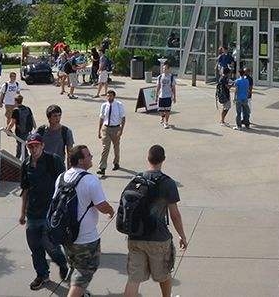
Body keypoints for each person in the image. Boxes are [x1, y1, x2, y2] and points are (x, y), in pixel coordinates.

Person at [121, 145, 188, 297]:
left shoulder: (137, 179)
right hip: (158, 238)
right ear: (163, 159)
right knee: (164, 275)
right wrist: (182, 235)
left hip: (135, 236)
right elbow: (174, 215)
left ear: (148, 158)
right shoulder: (168, 183)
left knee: (133, 279)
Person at [57, 145, 115, 297]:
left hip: (66, 235)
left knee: (75, 266)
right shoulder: (90, 180)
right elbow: (101, 205)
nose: (91, 157)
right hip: (86, 238)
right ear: (81, 160)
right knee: (85, 271)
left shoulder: (62, 177)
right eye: (88, 155)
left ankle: (79, 293)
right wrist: (111, 211)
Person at [19, 132, 69, 291]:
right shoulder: (26, 164)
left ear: (42, 145)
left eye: (36, 146)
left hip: (51, 212)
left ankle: (61, 262)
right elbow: (25, 189)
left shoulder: (53, 161)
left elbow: (64, 186)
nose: (33, 149)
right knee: (35, 247)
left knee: (50, 245)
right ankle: (42, 275)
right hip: (32, 213)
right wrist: (22, 213)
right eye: (30, 146)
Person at [97, 89, 126, 177]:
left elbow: (123, 118)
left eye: (110, 96)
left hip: (116, 128)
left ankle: (116, 163)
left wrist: (121, 130)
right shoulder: (104, 105)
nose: (109, 97)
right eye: (107, 95)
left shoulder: (119, 105)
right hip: (106, 128)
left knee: (116, 146)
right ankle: (102, 168)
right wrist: (99, 130)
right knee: (105, 148)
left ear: (114, 96)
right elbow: (101, 118)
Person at [3, 82, 34, 159]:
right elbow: (32, 119)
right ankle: (19, 158)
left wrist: (7, 129)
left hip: (20, 131)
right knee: (21, 145)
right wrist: (33, 127)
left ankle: (21, 159)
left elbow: (12, 123)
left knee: (21, 145)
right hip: (27, 130)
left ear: (16, 101)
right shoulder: (27, 108)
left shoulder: (16, 110)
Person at [155, 61, 178, 130]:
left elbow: (173, 88)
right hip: (161, 96)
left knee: (167, 110)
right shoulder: (160, 77)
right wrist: (156, 96)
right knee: (160, 110)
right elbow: (158, 86)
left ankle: (166, 122)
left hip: (168, 96)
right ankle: (162, 116)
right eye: (163, 69)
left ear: (168, 69)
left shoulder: (171, 77)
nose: (163, 70)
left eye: (165, 69)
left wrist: (174, 97)